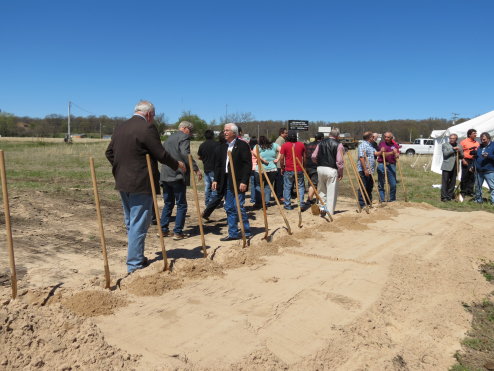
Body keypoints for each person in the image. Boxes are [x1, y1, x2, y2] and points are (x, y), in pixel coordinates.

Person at [105, 100, 185, 274]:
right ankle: (134, 264)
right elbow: (160, 153)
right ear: (149, 114)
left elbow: (109, 153)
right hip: (141, 182)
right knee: (139, 224)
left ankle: (137, 257)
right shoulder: (147, 128)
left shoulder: (120, 127)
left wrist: (121, 168)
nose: (153, 119)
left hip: (123, 182)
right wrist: (177, 164)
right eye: (154, 116)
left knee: (131, 222)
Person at [159, 121, 202, 240]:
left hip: (165, 175)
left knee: (168, 203)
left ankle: (163, 229)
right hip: (177, 175)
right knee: (181, 204)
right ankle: (178, 232)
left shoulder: (168, 138)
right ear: (186, 129)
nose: (191, 134)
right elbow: (185, 154)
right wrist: (195, 168)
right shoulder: (184, 137)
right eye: (191, 131)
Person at [212, 123, 252, 241]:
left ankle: (246, 231)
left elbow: (247, 165)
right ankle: (233, 233)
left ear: (234, 133)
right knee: (229, 207)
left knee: (238, 206)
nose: (224, 132)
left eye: (227, 130)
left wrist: (244, 181)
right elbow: (219, 165)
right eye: (224, 130)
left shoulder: (242, 145)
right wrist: (215, 179)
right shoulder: (223, 146)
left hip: (238, 180)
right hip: (226, 180)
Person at [311, 128, 344, 215]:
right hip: (331, 169)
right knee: (331, 191)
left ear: (329, 134)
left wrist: (318, 162)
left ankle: (322, 208)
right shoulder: (339, 145)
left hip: (320, 168)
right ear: (337, 136)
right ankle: (329, 211)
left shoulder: (320, 143)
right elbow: (339, 161)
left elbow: (314, 156)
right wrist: (340, 172)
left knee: (322, 190)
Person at [202, 132, 227, 220]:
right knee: (216, 192)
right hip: (218, 172)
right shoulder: (220, 147)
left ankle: (207, 208)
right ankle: (208, 209)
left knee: (210, 189)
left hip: (209, 169)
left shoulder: (203, 145)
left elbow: (199, 156)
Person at [280, 130, 306, 210]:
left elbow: (281, 158)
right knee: (300, 187)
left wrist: (282, 167)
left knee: (287, 187)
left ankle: (288, 205)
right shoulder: (301, 145)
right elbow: (304, 157)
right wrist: (303, 167)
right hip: (298, 169)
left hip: (289, 170)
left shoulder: (285, 145)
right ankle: (301, 204)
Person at [253, 135, 281, 205]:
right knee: (268, 185)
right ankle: (266, 202)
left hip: (261, 169)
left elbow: (254, 153)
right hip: (271, 169)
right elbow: (281, 150)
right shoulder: (274, 145)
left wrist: (263, 160)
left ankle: (259, 202)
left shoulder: (258, 146)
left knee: (259, 185)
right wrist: (277, 159)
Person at [357, 131, 379, 207]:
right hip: (364, 170)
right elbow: (361, 158)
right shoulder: (363, 145)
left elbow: (375, 153)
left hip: (371, 170)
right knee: (363, 186)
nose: (374, 138)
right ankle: (362, 204)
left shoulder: (370, 145)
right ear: (370, 138)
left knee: (369, 187)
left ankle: (368, 201)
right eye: (373, 137)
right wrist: (365, 169)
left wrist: (382, 151)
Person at [376, 131, 399, 202]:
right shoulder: (381, 144)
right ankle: (382, 200)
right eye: (385, 137)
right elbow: (382, 154)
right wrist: (392, 152)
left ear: (391, 138)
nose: (386, 138)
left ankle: (392, 200)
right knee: (381, 183)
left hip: (391, 165)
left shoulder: (395, 145)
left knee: (393, 184)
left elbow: (397, 155)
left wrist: (396, 155)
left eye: (388, 137)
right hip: (382, 164)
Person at [440, 134, 463, 202]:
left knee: (453, 182)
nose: (451, 139)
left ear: (456, 139)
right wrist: (453, 149)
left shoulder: (459, 145)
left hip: (455, 166)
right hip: (447, 166)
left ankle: (449, 196)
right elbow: (445, 154)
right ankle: (444, 197)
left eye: (453, 138)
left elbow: (462, 156)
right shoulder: (445, 145)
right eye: (450, 138)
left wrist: (460, 152)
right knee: (445, 182)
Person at [197, 130, 218, 207]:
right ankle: (211, 203)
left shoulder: (202, 145)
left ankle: (207, 202)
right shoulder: (217, 144)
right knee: (214, 186)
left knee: (207, 186)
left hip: (206, 168)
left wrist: (204, 159)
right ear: (213, 135)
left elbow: (199, 157)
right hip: (215, 168)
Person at [473, 132, 494, 204]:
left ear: (489, 138)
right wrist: (473, 166)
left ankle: (493, 201)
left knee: (492, 187)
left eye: (484, 139)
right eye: (481, 139)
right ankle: (478, 200)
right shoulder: (480, 146)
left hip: (489, 170)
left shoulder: (493, 145)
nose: (482, 141)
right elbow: (477, 157)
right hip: (479, 170)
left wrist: (489, 156)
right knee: (477, 186)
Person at [460, 129, 480, 198]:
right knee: (465, 176)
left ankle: (470, 191)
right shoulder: (463, 142)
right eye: (474, 133)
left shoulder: (477, 143)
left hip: (474, 160)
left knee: (472, 176)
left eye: (476, 133)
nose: (475, 134)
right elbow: (460, 152)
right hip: (466, 160)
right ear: (469, 134)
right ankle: (463, 191)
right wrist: (462, 159)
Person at [304, 133, 323, 204]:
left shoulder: (309, 145)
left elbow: (305, 155)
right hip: (316, 166)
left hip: (308, 166)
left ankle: (317, 198)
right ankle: (309, 199)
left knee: (311, 183)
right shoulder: (321, 145)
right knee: (314, 184)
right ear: (321, 138)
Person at [274, 128, 288, 200]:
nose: (287, 134)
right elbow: (280, 152)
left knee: (278, 180)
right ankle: (279, 196)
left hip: (278, 162)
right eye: (285, 133)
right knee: (280, 180)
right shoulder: (280, 140)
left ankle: (277, 194)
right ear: (281, 133)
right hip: (279, 163)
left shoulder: (281, 140)